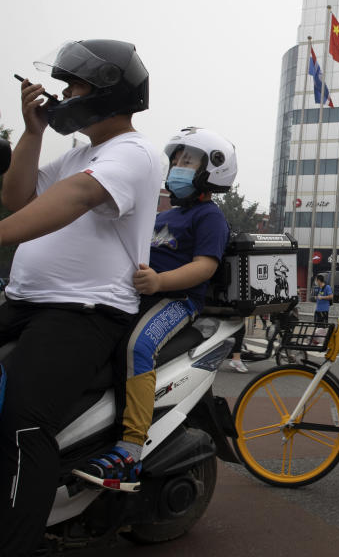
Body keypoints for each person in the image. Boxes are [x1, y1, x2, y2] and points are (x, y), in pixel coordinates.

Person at [0, 39, 162, 557]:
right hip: (24, 304)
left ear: (108, 90)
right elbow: (17, 199)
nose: (62, 94)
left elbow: (79, 195)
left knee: (24, 425)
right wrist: (32, 132)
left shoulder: (135, 152)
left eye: (73, 85)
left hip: (84, 311)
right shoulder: (77, 152)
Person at [72, 127, 235, 489]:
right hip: (139, 296)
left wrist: (161, 282)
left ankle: (130, 452)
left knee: (137, 347)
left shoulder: (208, 216)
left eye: (188, 160)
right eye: (176, 159)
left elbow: (205, 266)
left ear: (212, 170)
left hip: (176, 301)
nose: (177, 165)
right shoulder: (164, 215)